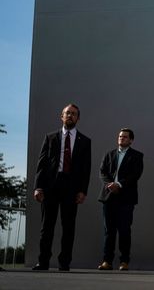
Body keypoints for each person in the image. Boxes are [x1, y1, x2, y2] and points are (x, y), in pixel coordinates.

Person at [32, 103, 92, 271]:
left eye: (73, 114)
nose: (70, 116)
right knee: (47, 227)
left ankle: (64, 263)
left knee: (68, 227)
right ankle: (43, 262)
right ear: (61, 116)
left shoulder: (85, 141)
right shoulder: (50, 137)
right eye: (67, 113)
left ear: (78, 118)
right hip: (51, 186)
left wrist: (82, 191)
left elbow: (86, 168)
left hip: (71, 188)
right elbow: (41, 164)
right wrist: (38, 187)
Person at [97, 128, 144, 271]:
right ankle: (107, 261)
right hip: (108, 196)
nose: (121, 138)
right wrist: (109, 184)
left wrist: (119, 184)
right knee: (109, 231)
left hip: (126, 198)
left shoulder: (137, 156)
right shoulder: (109, 154)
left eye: (125, 137)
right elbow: (102, 172)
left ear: (131, 140)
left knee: (124, 230)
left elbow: (135, 174)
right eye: (120, 136)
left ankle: (124, 262)